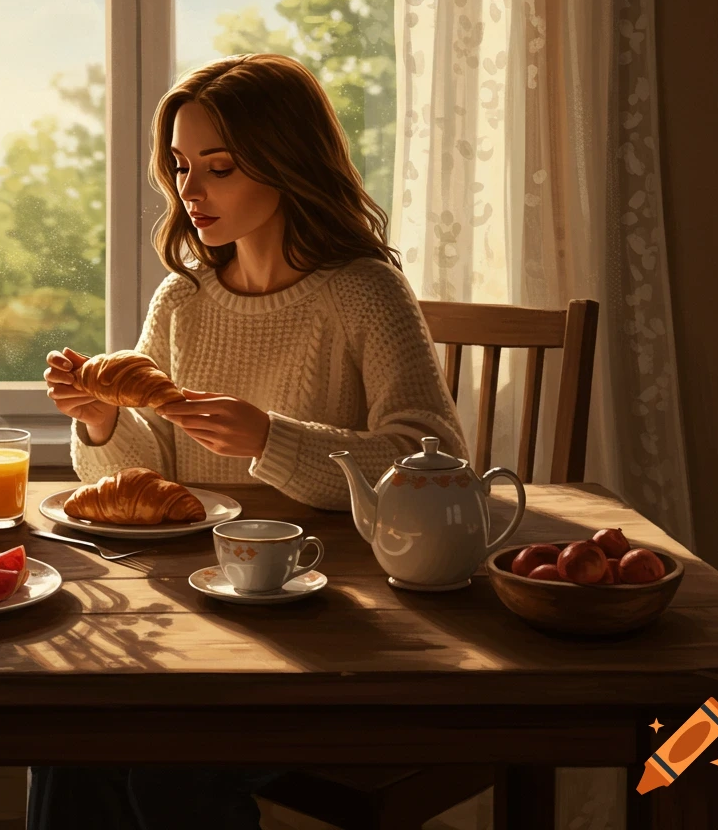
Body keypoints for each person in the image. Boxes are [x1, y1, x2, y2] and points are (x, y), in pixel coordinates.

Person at [32, 53, 468, 828]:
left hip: (337, 628)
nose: (190, 191)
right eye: (181, 167)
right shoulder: (184, 298)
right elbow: (152, 487)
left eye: (220, 167)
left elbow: (435, 459)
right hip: (195, 620)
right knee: (72, 733)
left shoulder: (364, 292)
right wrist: (101, 421)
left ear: (285, 162)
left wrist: (272, 438)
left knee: (174, 769)